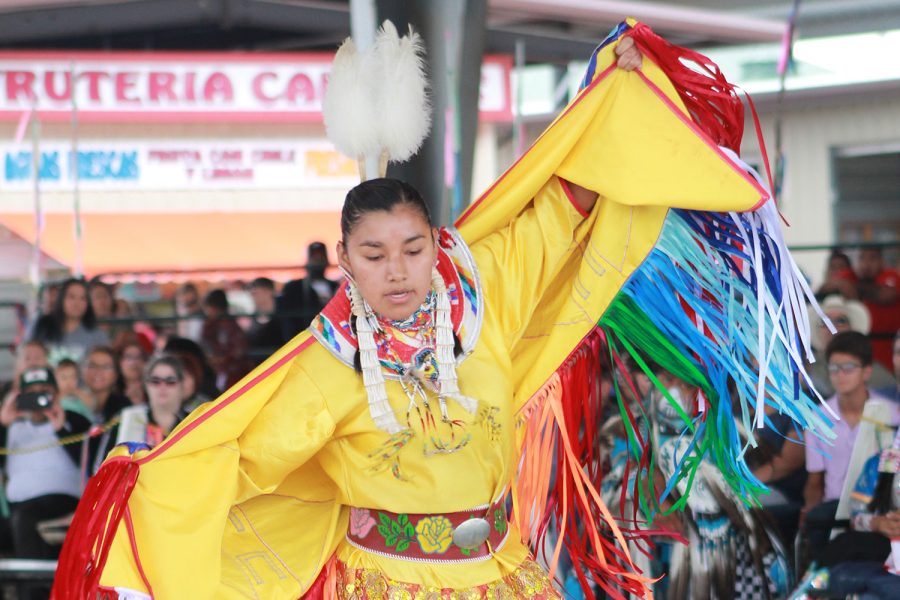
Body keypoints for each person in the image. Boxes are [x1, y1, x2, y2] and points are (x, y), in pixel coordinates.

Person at [55, 25, 826, 599]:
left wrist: (612, 91)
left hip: (503, 573)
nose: (398, 271)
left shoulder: (485, 284)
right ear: (345, 258)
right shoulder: (329, 365)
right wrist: (152, 482)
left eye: (414, 249)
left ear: (436, 243)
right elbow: (244, 459)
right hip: (383, 581)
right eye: (375, 254)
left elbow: (571, 196)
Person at [801, 331, 900, 564]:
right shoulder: (817, 418)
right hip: (835, 507)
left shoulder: (890, 412)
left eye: (848, 367)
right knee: (819, 522)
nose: (839, 375)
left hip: (882, 508)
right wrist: (807, 512)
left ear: (867, 371)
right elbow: (815, 481)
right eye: (834, 368)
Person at [0, 367, 90, 559]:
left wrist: (61, 429)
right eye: (31, 394)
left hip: (61, 502)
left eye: (44, 392)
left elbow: (89, 461)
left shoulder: (74, 420)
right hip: (19, 508)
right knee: (21, 520)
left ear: (56, 394)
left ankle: (32, 587)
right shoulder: (12, 427)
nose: (38, 399)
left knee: (24, 519)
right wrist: (2, 425)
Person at [808, 294, 895, 397]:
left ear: (852, 329)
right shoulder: (805, 364)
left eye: (840, 321)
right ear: (818, 331)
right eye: (825, 322)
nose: (832, 327)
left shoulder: (873, 369)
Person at [114, 355, 190, 450]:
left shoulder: (193, 421)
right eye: (155, 381)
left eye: (170, 381)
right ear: (146, 384)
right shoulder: (129, 417)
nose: (162, 386)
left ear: (182, 384)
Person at [27, 278, 109, 365]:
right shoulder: (42, 325)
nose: (77, 303)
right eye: (71, 297)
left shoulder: (97, 335)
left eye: (83, 298)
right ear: (61, 299)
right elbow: (25, 358)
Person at [277, 241, 341, 338]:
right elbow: (287, 321)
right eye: (314, 257)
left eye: (321, 257)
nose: (318, 261)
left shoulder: (335, 286)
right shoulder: (294, 288)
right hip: (306, 340)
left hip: (333, 339)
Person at [856, 247, 900, 370]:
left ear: (882, 261)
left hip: (889, 344)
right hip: (867, 345)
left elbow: (886, 296)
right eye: (862, 258)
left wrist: (856, 287)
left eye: (872, 258)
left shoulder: (890, 275)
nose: (866, 263)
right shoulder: (855, 278)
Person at [200, 289, 252, 390]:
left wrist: (220, 360)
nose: (207, 313)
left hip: (233, 374)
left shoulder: (228, 327)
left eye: (208, 308)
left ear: (214, 308)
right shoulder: (215, 325)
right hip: (225, 372)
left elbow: (237, 353)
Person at [245, 277, 286, 366]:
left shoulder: (285, 317)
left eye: (256, 292)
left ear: (268, 291)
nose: (253, 296)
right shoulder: (251, 319)